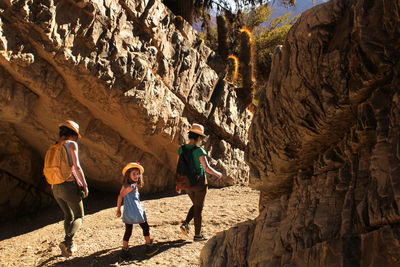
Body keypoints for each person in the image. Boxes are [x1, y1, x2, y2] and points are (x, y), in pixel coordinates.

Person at [176, 123, 223, 241]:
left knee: (196, 205)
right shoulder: (199, 150)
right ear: (198, 137)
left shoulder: (181, 148)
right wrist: (218, 174)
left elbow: (178, 166)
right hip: (199, 183)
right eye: (201, 138)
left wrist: (178, 183)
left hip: (186, 183)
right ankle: (197, 235)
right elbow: (206, 168)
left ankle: (186, 224)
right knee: (198, 208)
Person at [49, 120, 89, 257]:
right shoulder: (71, 144)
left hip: (55, 187)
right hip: (68, 186)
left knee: (68, 215)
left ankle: (69, 248)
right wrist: (84, 184)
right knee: (79, 216)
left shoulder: (54, 146)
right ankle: (67, 241)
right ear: (73, 134)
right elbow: (77, 167)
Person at [116, 162, 158, 258]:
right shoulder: (132, 186)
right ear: (128, 175)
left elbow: (120, 196)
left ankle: (125, 249)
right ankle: (148, 246)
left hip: (127, 212)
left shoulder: (125, 185)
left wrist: (118, 209)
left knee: (128, 230)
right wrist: (118, 209)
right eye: (133, 174)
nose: (136, 176)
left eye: (137, 173)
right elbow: (121, 196)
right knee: (145, 227)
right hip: (136, 211)